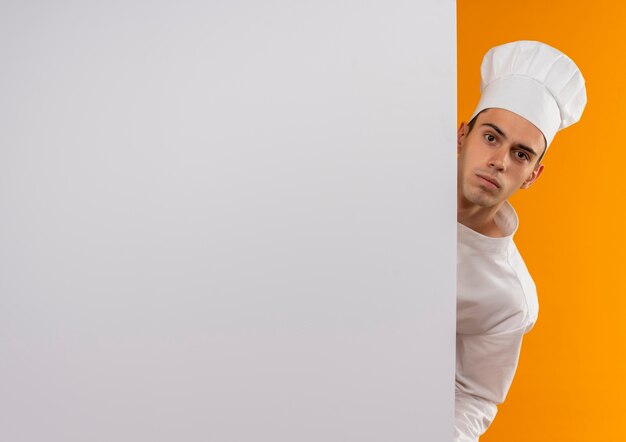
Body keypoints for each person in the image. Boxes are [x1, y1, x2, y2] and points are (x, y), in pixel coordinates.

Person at [455, 40, 587, 441]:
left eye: (521, 154)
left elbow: (474, 396)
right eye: (491, 138)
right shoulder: (384, 187)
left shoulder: (511, 298)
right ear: (463, 134)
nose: (500, 161)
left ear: (533, 175)